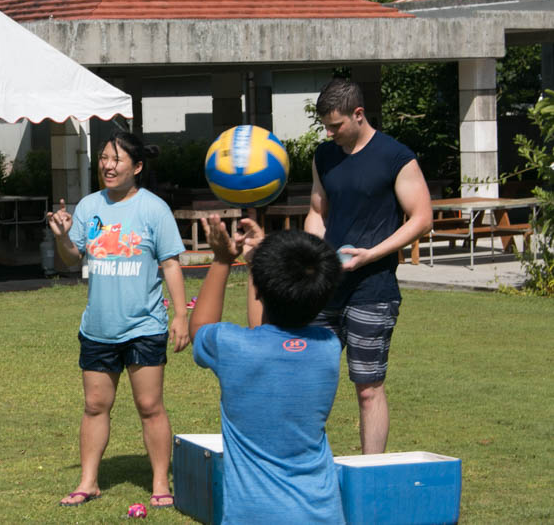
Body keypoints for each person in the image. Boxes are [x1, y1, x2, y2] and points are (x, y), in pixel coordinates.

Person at [47, 130, 189, 509]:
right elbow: (72, 257)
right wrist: (62, 237)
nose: (108, 166)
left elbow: (171, 263)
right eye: (104, 159)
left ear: (137, 167)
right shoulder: (89, 205)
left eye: (117, 160)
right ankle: (88, 482)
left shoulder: (153, 209)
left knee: (149, 406)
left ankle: (160, 483)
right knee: (95, 405)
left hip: (144, 326)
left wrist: (181, 315)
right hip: (98, 327)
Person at [305, 77, 432, 454]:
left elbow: (421, 218)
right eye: (325, 126)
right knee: (310, 379)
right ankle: (306, 468)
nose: (329, 133)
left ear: (358, 114)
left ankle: (370, 473)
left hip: (372, 290)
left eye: (336, 125)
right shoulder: (324, 156)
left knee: (368, 386)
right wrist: (314, 256)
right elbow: (317, 211)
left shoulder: (396, 157)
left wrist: (370, 254)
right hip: (325, 289)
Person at [190, 213, 345, 523]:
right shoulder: (327, 346)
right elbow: (265, 331)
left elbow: (200, 328)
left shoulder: (232, 346)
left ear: (259, 289)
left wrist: (222, 260)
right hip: (321, 512)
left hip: (253, 515)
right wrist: (257, 266)